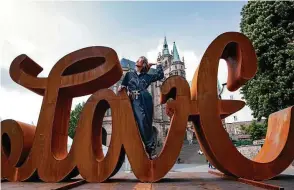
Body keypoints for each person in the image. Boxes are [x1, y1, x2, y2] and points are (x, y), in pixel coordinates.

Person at [118, 56, 164, 159]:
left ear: (143, 64)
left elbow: (160, 75)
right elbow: (123, 85)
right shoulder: (129, 74)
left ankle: (151, 151)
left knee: (147, 123)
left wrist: (158, 64)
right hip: (135, 99)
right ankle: (150, 149)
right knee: (142, 121)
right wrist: (122, 87)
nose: (137, 61)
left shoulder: (147, 77)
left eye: (140, 60)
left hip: (146, 99)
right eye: (138, 59)